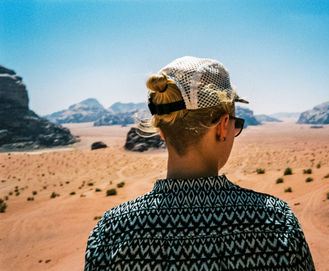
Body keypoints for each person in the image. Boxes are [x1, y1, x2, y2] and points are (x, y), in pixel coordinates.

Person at [84, 56, 315, 270]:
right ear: (223, 125)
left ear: (162, 131)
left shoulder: (112, 231)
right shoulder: (276, 222)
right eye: (235, 124)